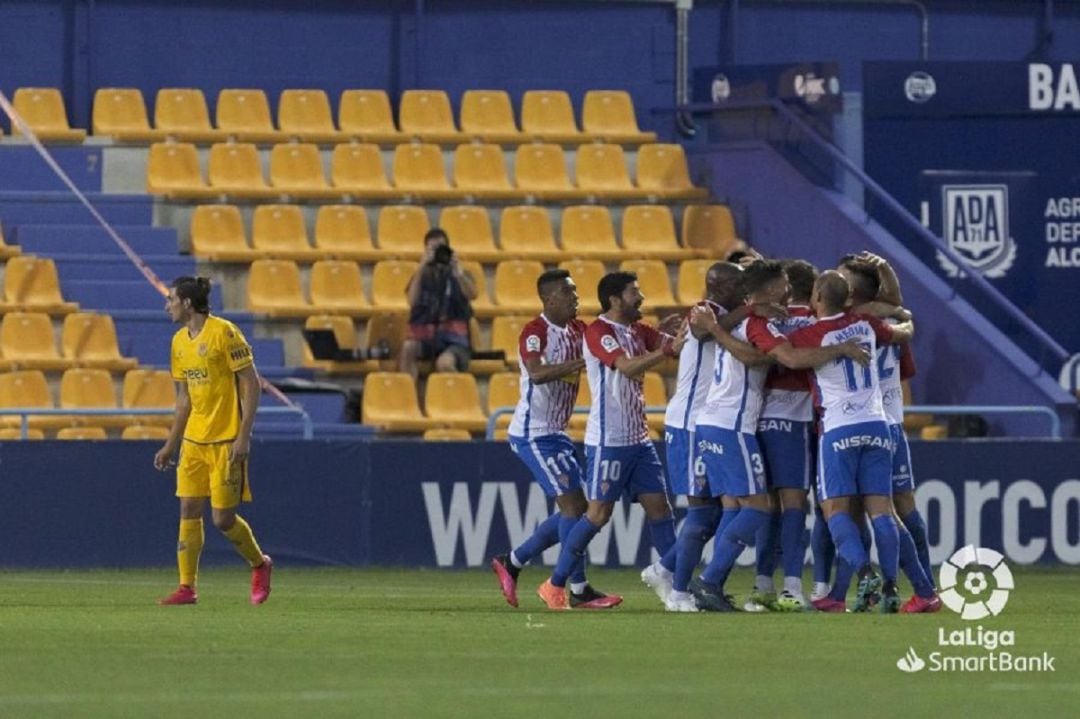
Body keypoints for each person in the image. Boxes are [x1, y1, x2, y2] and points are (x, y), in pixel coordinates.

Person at [687, 260, 868, 612]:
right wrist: (839, 349)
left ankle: (718, 583)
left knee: (742, 506)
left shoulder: (744, 316)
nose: (787, 288)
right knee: (760, 507)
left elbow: (711, 332)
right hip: (733, 424)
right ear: (771, 289)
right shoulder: (753, 321)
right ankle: (709, 580)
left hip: (727, 423)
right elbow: (774, 358)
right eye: (781, 282)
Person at [786, 271, 940, 614]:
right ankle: (891, 589)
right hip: (878, 424)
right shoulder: (868, 325)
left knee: (835, 511)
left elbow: (790, 358)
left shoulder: (811, 333)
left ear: (819, 297)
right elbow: (902, 333)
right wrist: (905, 317)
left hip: (838, 427)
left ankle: (865, 573)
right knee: (882, 512)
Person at [536, 271, 685, 610]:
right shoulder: (599, 332)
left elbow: (671, 346)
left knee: (660, 509)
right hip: (609, 440)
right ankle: (555, 584)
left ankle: (675, 584)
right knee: (598, 514)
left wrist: (683, 333)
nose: (642, 296)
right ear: (615, 299)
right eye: (635, 291)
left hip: (639, 438)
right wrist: (667, 347)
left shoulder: (637, 329)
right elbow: (628, 367)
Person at [642, 261, 777, 612]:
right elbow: (703, 332)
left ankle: (668, 569)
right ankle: (680, 591)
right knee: (704, 512)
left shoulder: (728, 317)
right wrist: (749, 307)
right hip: (688, 423)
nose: (744, 291)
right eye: (738, 285)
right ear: (719, 287)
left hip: (704, 421)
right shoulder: (703, 312)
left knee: (718, 511)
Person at [490, 269, 621, 610]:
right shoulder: (535, 333)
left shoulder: (578, 329)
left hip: (555, 433)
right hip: (533, 434)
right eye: (569, 292)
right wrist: (584, 360)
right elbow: (536, 373)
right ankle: (576, 588)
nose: (576, 298)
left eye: (576, 292)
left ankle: (514, 561)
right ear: (548, 299)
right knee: (576, 508)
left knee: (576, 508)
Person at [153, 277, 272, 606]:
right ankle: (187, 587)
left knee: (222, 519)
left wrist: (244, 435)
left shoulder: (224, 333)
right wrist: (171, 444)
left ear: (187, 304)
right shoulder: (178, 342)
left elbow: (252, 383)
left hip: (225, 440)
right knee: (188, 508)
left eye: (171, 299)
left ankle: (260, 564)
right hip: (194, 440)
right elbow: (183, 400)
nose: (167, 306)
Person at [839, 252, 933, 590]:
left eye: (841, 276)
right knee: (899, 505)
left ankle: (847, 589)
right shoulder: (893, 322)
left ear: (854, 290)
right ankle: (924, 585)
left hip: (862, 421)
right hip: (890, 422)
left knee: (853, 509)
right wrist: (901, 315)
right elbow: (906, 368)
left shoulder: (846, 319)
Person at [747, 259, 820, 612]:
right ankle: (791, 586)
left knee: (767, 505)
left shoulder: (759, 316)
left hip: (757, 416)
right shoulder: (813, 318)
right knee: (794, 504)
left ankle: (762, 583)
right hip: (793, 416)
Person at [399, 228, 479, 383]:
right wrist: (421, 268)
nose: (437, 253)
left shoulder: (460, 274)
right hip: (427, 338)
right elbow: (412, 301)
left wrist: (459, 274)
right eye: (432, 249)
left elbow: (473, 294)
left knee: (444, 363)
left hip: (456, 342)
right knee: (407, 348)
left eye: (441, 248)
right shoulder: (422, 276)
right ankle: (409, 400)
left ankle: (458, 398)